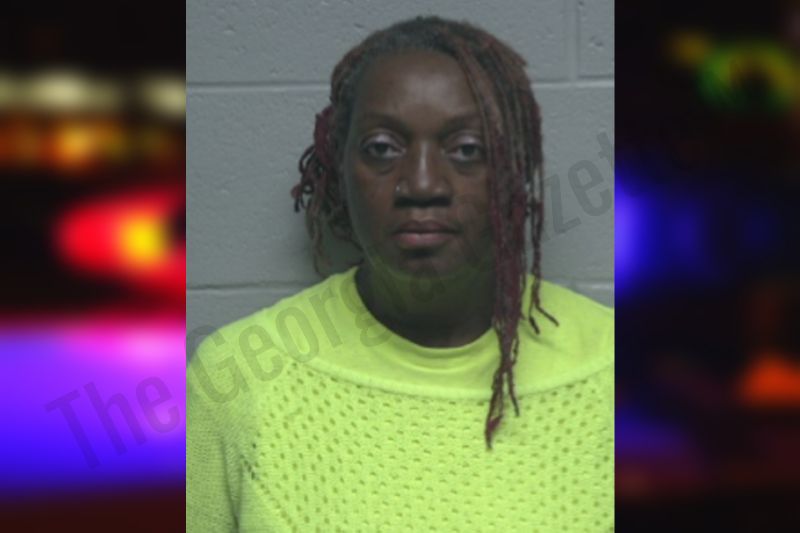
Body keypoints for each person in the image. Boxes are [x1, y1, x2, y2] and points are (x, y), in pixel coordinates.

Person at [187, 16, 613, 531]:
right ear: (338, 168)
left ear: (514, 172)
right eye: (382, 148)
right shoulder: (237, 378)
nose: (423, 184)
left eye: (467, 149)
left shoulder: (618, 373)